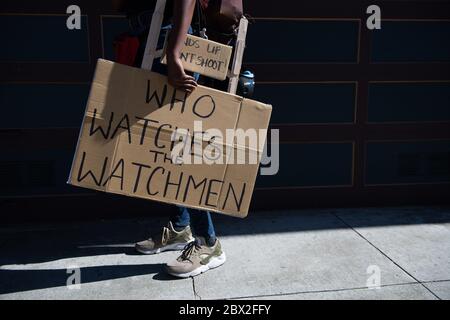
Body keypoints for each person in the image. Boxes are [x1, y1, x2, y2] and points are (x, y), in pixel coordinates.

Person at [112, 0, 243, 278]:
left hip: (171, 39)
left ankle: (208, 243)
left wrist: (174, 54)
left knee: (181, 146)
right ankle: (180, 227)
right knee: (162, 145)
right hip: (151, 36)